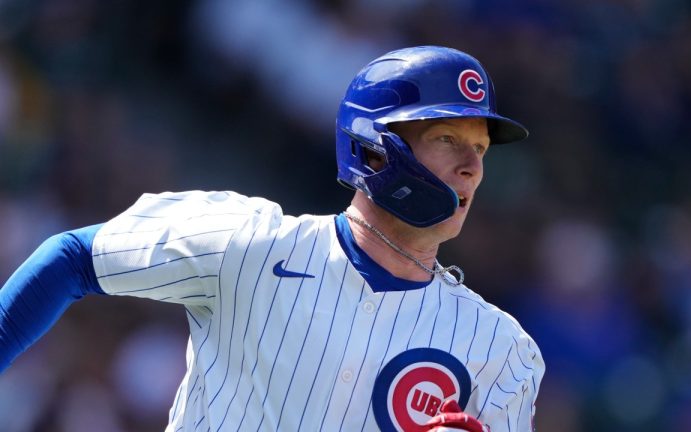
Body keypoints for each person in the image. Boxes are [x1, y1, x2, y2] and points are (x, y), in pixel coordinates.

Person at [0, 46, 544, 431]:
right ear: (375, 147)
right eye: (447, 138)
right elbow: (73, 258)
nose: (472, 167)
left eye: (480, 148)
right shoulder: (250, 243)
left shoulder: (502, 350)